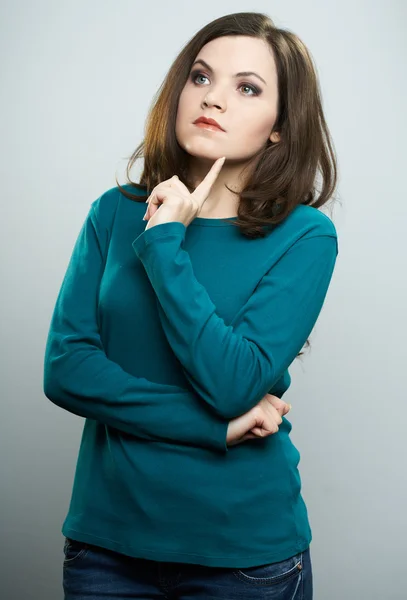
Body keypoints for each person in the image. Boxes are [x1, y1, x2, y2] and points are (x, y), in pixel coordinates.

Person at [43, 11, 339, 600]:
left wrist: (164, 244)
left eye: (247, 88)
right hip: (107, 547)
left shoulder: (304, 236)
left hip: (243, 559)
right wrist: (215, 428)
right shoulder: (114, 211)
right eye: (201, 78)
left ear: (280, 126)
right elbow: (67, 371)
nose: (214, 99)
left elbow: (233, 381)